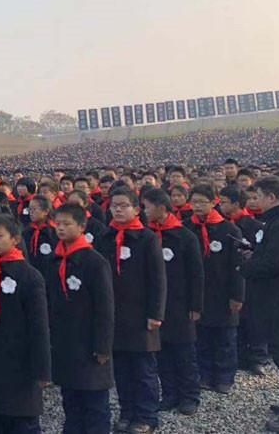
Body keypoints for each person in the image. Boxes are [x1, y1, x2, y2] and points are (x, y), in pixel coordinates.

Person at [96, 185, 166, 434]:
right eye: (114, 205)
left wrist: (156, 314)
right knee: (122, 368)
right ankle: (127, 411)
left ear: (137, 209)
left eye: (124, 205)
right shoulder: (106, 236)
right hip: (116, 314)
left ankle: (146, 415)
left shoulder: (147, 238)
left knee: (143, 367)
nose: (118, 210)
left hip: (140, 314)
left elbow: (158, 279)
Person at [0, 214, 50, 434]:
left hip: (22, 359)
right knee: (0, 416)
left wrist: (42, 368)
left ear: (15, 239)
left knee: (24, 419)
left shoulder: (29, 276)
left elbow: (39, 326)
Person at [46, 203, 115, 434]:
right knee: (71, 394)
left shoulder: (95, 262)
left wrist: (103, 345)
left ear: (82, 226)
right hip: (66, 340)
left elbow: (104, 307)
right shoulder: (56, 260)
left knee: (94, 398)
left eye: (67, 224)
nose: (61, 228)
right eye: (58, 223)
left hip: (89, 340)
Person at [142, 187, 204, 416]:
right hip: (157, 304)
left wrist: (196, 305)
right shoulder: (147, 235)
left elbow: (196, 273)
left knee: (185, 353)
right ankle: (169, 393)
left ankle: (189, 396)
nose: (144, 211)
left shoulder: (184, 235)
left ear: (161, 207)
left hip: (181, 303)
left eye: (147, 206)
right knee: (162, 352)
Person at [242, 175, 279, 433]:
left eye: (259, 195)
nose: (256, 201)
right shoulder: (278, 221)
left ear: (272, 197)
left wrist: (248, 266)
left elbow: (278, 264)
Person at [185, 183, 244, 395]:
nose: (198, 206)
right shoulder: (186, 228)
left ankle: (225, 378)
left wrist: (237, 295)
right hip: (198, 293)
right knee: (202, 336)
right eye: (194, 201)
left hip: (223, 291)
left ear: (213, 203)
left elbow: (238, 266)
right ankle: (205, 374)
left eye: (203, 202)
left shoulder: (229, 230)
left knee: (225, 338)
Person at [219, 185, 270, 375]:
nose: (220, 206)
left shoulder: (254, 226)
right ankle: (239, 356)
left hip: (252, 280)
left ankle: (258, 357)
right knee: (236, 320)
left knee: (254, 319)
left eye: (223, 202)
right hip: (230, 277)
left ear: (235, 203)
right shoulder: (221, 226)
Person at [22, 196, 58, 275]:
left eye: (34, 209)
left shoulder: (54, 232)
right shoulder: (26, 232)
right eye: (30, 209)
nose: (31, 212)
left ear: (46, 211)